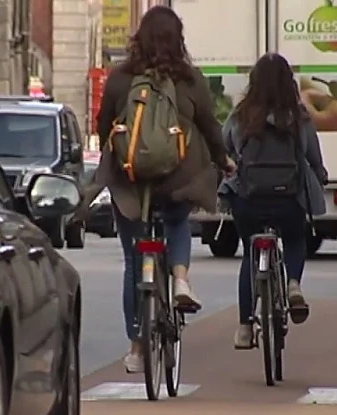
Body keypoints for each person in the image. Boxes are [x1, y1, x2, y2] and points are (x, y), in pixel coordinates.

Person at [76, 5, 236, 373]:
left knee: (134, 261)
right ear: (177, 40)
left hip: (130, 183)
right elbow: (211, 129)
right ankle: (180, 279)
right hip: (177, 180)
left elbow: (103, 128)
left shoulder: (120, 79)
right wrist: (223, 160)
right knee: (177, 223)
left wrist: (115, 152)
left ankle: (135, 347)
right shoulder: (191, 79)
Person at [218, 53, 328, 349]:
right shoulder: (298, 116)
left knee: (250, 255)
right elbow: (312, 155)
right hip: (288, 198)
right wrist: (320, 175)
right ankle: (293, 283)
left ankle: (244, 328)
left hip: (248, 200)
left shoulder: (240, 115)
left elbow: (224, 146)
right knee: (294, 240)